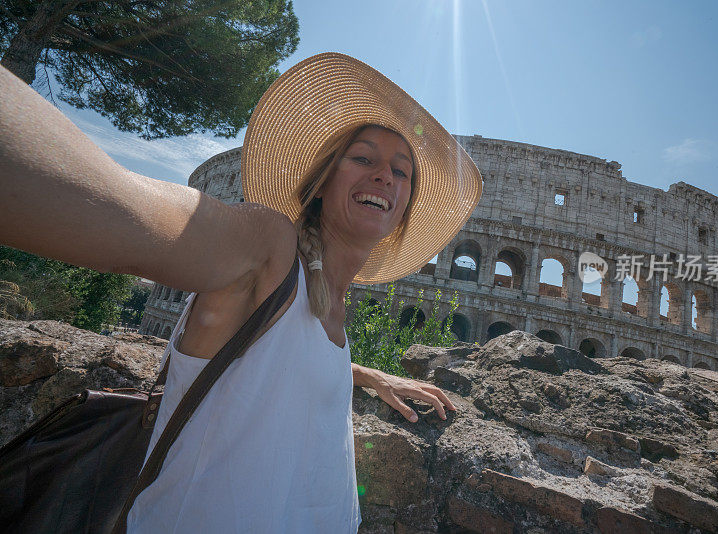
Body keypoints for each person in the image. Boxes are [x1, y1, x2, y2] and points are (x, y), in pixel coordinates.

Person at [0, 52, 482, 532]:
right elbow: (123, 208)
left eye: (401, 171)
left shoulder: (328, 301)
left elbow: (278, 361)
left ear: (402, 210)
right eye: (363, 158)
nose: (384, 175)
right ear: (319, 184)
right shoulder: (267, 248)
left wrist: (360, 373)